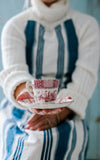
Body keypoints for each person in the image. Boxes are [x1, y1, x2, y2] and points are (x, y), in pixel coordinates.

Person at [0, 0, 100, 159]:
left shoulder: (87, 25)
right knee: (27, 142)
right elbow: (14, 73)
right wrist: (33, 100)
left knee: (68, 139)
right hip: (21, 106)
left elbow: (85, 77)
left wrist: (60, 113)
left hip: (68, 107)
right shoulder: (15, 26)